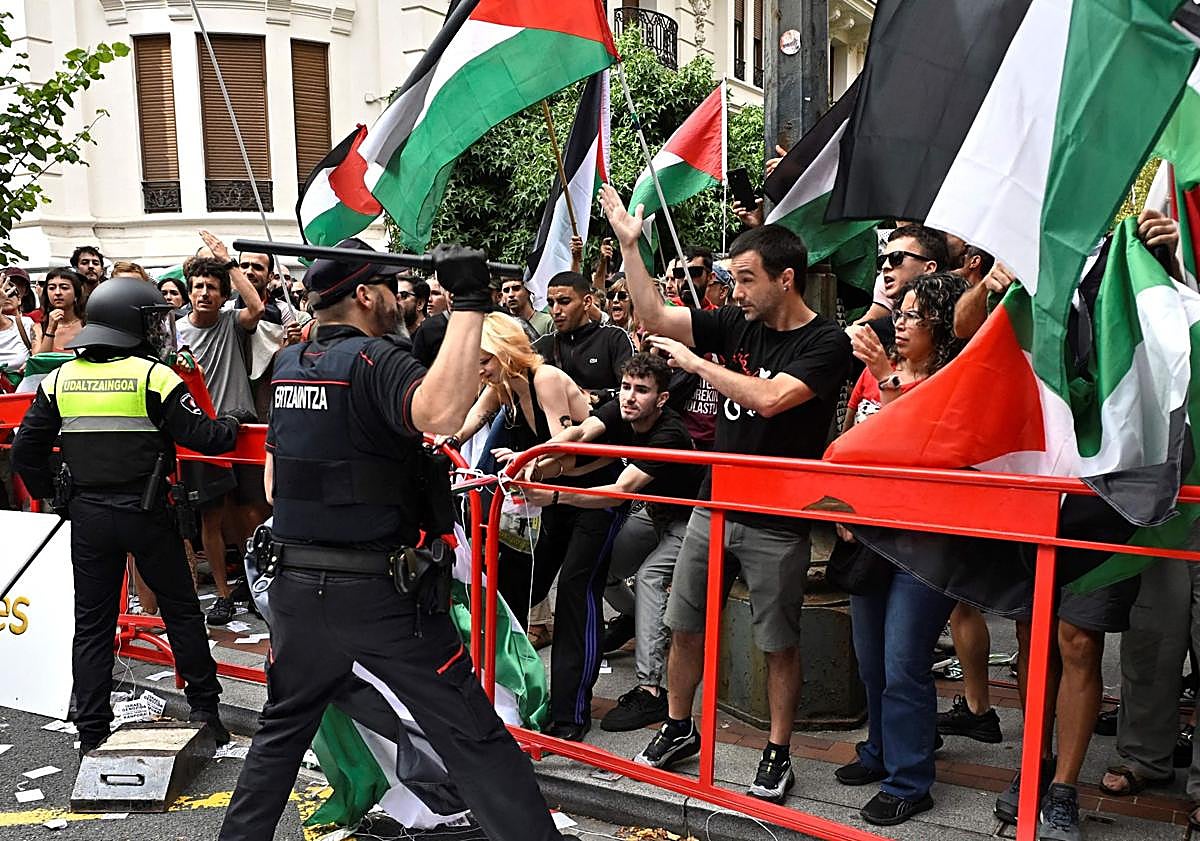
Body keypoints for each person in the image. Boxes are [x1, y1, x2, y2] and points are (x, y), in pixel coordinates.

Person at [217, 240, 563, 841]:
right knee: (471, 735)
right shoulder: (376, 361)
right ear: (366, 294)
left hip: (299, 590)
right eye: (389, 292)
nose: (397, 304)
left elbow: (275, 485)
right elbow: (439, 414)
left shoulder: (292, 365)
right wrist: (472, 302)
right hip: (380, 594)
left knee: (279, 736)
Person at [600, 184, 850, 802]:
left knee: (776, 641)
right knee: (685, 624)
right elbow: (655, 318)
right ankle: (678, 727)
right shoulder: (739, 321)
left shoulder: (827, 343)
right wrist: (631, 246)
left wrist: (697, 364)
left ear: (785, 278)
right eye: (732, 281)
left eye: (744, 279)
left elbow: (770, 398)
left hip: (776, 516)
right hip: (714, 504)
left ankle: (777, 751)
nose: (733, 293)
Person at [11, 277, 241, 755]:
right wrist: (233, 423)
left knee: (92, 624)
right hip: (148, 512)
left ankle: (92, 728)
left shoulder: (59, 379)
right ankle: (205, 713)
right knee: (181, 611)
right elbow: (204, 437)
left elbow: (26, 451)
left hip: (89, 516)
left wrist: (55, 497)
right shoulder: (154, 376)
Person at [833, 272, 968, 826]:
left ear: (941, 325)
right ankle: (881, 750)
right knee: (869, 659)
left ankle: (911, 779)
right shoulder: (875, 375)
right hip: (869, 537)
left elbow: (917, 448)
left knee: (903, 661)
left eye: (913, 316)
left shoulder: (953, 379)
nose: (901, 324)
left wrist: (887, 378)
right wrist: (839, 504)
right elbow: (847, 442)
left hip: (926, 541)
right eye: (901, 315)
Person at [444, 313, 611, 742]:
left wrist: (527, 461)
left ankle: (571, 712)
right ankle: (508, 691)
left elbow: (566, 449)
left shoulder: (546, 378)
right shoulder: (503, 386)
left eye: (484, 360)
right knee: (513, 586)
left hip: (594, 496)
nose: (479, 369)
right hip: (544, 498)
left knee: (576, 593)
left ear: (504, 350)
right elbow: (472, 422)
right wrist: (443, 446)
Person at [524, 352, 705, 732]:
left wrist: (554, 495)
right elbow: (578, 434)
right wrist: (535, 460)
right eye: (625, 387)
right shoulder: (617, 410)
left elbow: (619, 491)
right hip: (654, 513)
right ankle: (642, 620)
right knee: (603, 569)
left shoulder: (670, 433)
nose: (629, 397)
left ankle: (651, 689)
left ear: (662, 399)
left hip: (691, 519)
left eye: (642, 390)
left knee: (652, 577)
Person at [176, 232, 264, 624]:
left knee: (250, 512)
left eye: (212, 287)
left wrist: (227, 261)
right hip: (200, 432)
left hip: (241, 428)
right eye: (198, 286)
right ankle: (224, 595)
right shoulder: (174, 331)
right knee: (211, 515)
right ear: (189, 290)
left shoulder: (232, 320)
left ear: (222, 293)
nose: (204, 293)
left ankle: (255, 585)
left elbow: (257, 306)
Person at [533, 270, 634, 406]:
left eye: (564, 302)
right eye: (551, 303)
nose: (556, 311)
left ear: (587, 302)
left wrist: (597, 397)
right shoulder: (542, 346)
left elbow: (633, 389)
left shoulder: (614, 338)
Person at [36, 268, 86, 353]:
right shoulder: (39, 328)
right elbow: (39, 362)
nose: (57, 292)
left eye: (64, 288)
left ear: (76, 293)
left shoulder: (87, 325)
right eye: (52, 288)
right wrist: (50, 329)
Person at [501, 276, 554, 341]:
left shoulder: (548, 322)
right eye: (506, 291)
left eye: (516, 288)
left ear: (528, 291)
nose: (510, 294)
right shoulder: (501, 326)